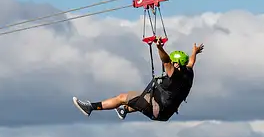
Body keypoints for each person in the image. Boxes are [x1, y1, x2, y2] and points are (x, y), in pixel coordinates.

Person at [73, 40, 204, 121]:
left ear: (176, 64)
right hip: (166, 111)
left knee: (121, 97)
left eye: (174, 63)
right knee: (144, 97)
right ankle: (125, 110)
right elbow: (191, 61)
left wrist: (159, 47)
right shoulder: (189, 72)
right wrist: (195, 52)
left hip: (157, 109)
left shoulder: (174, 75)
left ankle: (90, 107)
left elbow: (165, 61)